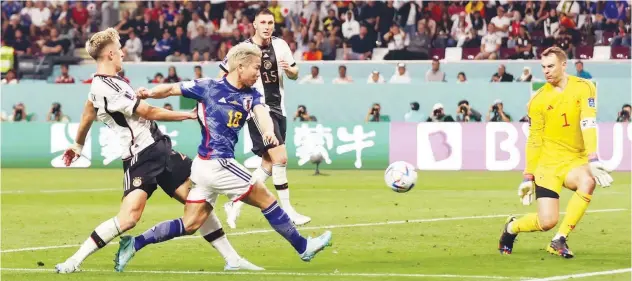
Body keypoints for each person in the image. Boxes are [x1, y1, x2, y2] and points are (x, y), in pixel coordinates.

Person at [55, 28, 259, 274]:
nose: (122, 53)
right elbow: (148, 112)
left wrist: (77, 144)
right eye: (119, 50)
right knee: (129, 218)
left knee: (197, 201)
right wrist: (188, 114)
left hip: (160, 148)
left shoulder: (113, 82)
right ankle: (74, 260)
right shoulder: (104, 86)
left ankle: (233, 259)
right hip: (140, 158)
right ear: (110, 54)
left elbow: (89, 111)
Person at [122, 42, 332, 268]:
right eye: (256, 68)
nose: (258, 73)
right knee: (267, 200)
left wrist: (269, 132)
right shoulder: (209, 87)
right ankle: (303, 247)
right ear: (240, 66)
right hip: (218, 163)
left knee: (191, 223)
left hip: (203, 168)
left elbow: (262, 115)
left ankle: (134, 244)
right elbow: (173, 88)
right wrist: (148, 92)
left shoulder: (252, 95)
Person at [498, 47, 614, 259]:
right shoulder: (538, 100)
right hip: (548, 165)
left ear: (563, 65)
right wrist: (527, 176)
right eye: (543, 67)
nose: (546, 71)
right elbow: (534, 139)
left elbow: (588, 122)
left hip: (574, 161)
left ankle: (559, 239)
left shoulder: (585, 87)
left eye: (550, 66)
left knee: (588, 181)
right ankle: (512, 227)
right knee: (546, 222)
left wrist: (593, 157)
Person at [218, 9, 311, 229]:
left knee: (268, 163)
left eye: (270, 22)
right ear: (254, 25)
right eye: (263, 22)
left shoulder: (281, 45)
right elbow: (223, 75)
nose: (267, 26)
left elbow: (295, 72)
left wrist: (291, 71)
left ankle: (235, 202)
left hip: (279, 109)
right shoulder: (243, 50)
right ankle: (288, 211)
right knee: (280, 158)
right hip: (258, 110)